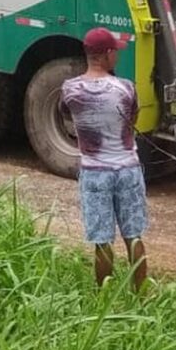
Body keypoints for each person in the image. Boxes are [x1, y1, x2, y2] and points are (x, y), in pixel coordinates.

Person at [60, 27, 148, 290]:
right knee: (133, 236)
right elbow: (132, 121)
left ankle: (104, 296)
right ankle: (140, 295)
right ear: (107, 54)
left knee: (102, 240)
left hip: (94, 172)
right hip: (127, 169)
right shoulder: (125, 88)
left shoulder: (70, 89)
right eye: (115, 52)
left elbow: (65, 115)